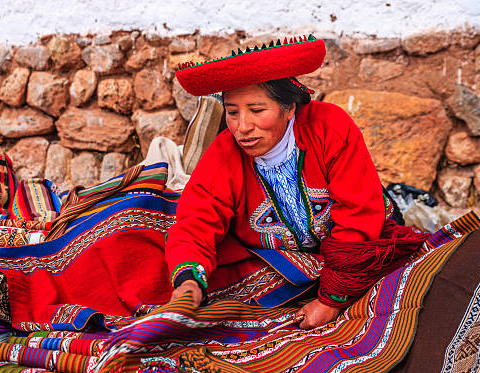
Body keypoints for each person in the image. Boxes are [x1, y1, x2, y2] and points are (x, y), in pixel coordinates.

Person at [167, 35, 428, 329]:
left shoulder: (329, 127)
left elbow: (358, 215)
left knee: (411, 295)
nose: (242, 127)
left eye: (256, 110)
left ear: (289, 108)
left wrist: (331, 299)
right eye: (232, 112)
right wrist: (188, 284)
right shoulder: (224, 154)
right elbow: (195, 223)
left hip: (360, 245)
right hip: (287, 261)